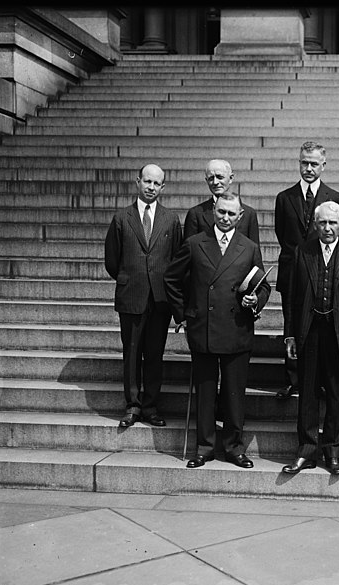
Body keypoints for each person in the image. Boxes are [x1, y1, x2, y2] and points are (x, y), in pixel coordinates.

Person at [164, 192, 271, 469]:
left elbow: (263, 285)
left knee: (234, 394)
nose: (225, 218)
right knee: (206, 392)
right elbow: (171, 279)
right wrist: (183, 314)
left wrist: (254, 301)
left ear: (240, 216)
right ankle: (205, 446)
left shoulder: (248, 247)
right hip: (204, 329)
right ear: (214, 212)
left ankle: (234, 447)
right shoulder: (195, 243)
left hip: (237, 329)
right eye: (221, 212)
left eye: (231, 214)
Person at [281, 201, 339, 475]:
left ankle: (332, 452)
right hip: (309, 331)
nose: (327, 228)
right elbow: (293, 299)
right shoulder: (303, 251)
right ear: (315, 225)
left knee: (335, 393)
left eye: (333, 223)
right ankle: (306, 451)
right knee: (307, 393)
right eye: (322, 223)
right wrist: (291, 335)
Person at [104, 163, 183, 428]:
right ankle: (133, 405)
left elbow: (176, 259)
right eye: (147, 181)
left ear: (163, 187)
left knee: (154, 354)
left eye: (156, 183)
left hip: (160, 299)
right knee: (132, 352)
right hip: (132, 296)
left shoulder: (171, 219)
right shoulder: (121, 218)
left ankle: (150, 406)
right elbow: (112, 261)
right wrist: (131, 279)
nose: (151, 187)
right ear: (138, 181)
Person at [274, 141, 339, 400]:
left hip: (323, 272)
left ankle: (323, 380)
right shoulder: (285, 198)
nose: (308, 168)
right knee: (293, 324)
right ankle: (294, 378)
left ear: (323, 166)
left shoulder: (335, 198)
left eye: (314, 163)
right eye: (304, 162)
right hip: (293, 272)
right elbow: (282, 234)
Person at [183, 158, 260, 244]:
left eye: (220, 177)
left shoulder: (249, 214)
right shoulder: (196, 214)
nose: (215, 182)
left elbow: (254, 253)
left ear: (230, 178)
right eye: (211, 178)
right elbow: (188, 251)